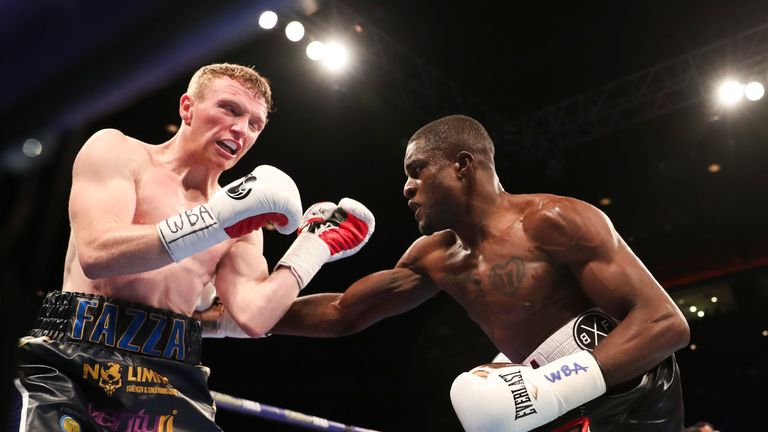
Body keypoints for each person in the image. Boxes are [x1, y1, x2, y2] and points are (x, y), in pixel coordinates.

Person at [9, 63, 374, 431]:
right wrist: (215, 221)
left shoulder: (243, 221)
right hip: (77, 349)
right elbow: (97, 253)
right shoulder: (120, 152)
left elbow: (253, 315)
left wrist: (313, 248)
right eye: (230, 109)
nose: (240, 129)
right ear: (188, 108)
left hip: (170, 370)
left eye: (254, 124)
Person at [270, 114, 690, 431]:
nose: (407, 187)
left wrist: (554, 387)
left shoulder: (552, 220)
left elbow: (665, 323)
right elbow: (344, 312)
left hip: (637, 396)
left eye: (417, 169)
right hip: (561, 405)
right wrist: (234, 312)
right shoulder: (434, 257)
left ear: (462, 164)